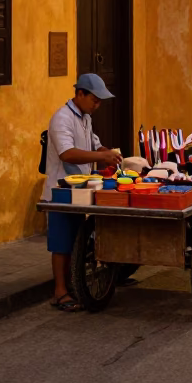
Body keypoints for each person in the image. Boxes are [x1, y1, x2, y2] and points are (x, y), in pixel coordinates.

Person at [42, 73, 121, 312]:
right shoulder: (61, 118)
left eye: (99, 102)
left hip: (78, 188)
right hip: (60, 190)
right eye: (94, 100)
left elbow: (93, 143)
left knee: (75, 238)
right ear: (80, 94)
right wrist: (101, 156)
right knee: (62, 243)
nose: (97, 105)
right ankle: (60, 292)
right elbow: (68, 153)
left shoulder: (85, 117)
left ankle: (71, 286)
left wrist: (106, 151)